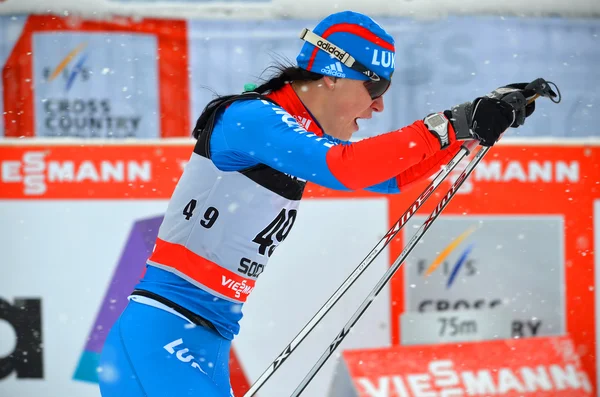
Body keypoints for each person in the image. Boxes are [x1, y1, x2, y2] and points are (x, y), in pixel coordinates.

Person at [98, 10, 537, 397]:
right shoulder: (251, 118)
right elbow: (347, 167)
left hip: (206, 337)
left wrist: (471, 128)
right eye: (374, 87)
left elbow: (389, 177)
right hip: (161, 333)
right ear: (331, 74)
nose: (379, 106)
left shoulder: (291, 132)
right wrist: (448, 125)